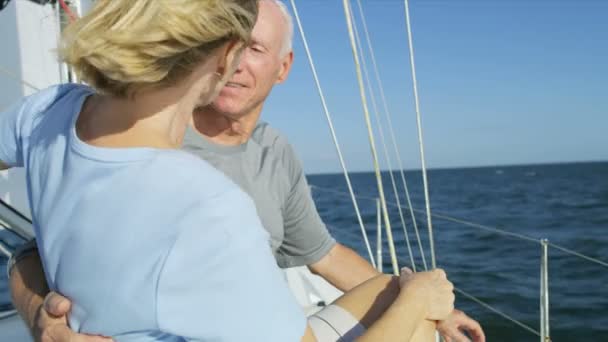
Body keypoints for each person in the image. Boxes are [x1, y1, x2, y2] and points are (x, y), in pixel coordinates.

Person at [9, 0, 484, 341]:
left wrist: (425, 300)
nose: (239, 67)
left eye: (260, 50)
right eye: (243, 46)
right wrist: (421, 301)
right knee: (413, 316)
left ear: (283, 67)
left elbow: (322, 252)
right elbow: (32, 252)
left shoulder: (53, 111)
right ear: (223, 53)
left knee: (390, 288)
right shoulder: (205, 203)